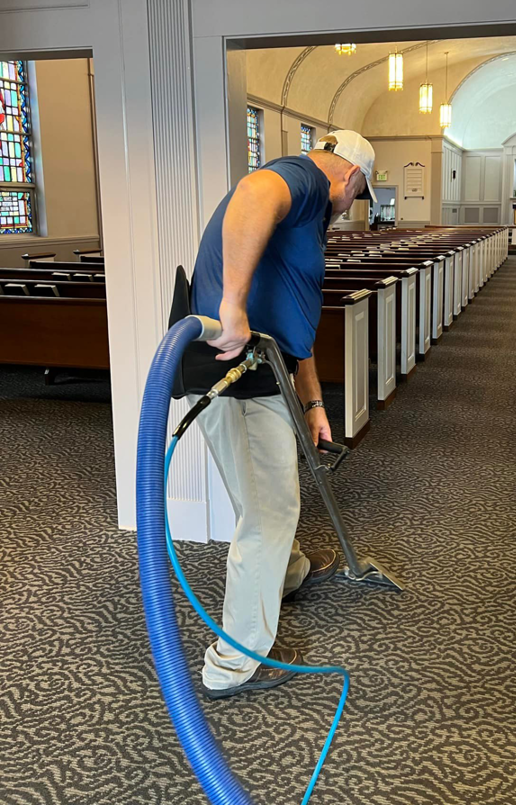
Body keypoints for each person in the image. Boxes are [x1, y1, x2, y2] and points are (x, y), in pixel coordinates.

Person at [188, 129, 377, 700]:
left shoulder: (312, 210)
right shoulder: (302, 178)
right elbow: (253, 191)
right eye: (359, 194)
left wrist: (314, 401)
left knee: (270, 493)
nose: (352, 209)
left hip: (271, 368)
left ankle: (289, 573)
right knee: (268, 510)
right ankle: (235, 660)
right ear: (349, 175)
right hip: (243, 373)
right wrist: (232, 307)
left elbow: (296, 312)